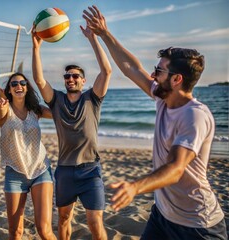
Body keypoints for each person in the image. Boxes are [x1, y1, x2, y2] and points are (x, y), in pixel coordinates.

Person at [84, 5, 227, 239]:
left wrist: (135, 187)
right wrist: (105, 34)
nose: (153, 75)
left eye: (158, 71)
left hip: (198, 226)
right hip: (162, 215)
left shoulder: (195, 115)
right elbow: (132, 68)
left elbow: (176, 169)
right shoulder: (162, 98)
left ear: (177, 79)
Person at [31, 7, 112, 240]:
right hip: (65, 170)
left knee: (95, 221)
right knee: (64, 219)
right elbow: (39, 80)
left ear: (83, 80)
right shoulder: (56, 101)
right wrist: (36, 49)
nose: (71, 79)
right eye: (68, 76)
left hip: (91, 170)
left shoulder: (92, 99)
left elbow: (106, 71)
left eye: (76, 76)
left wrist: (93, 39)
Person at [0, 73, 56, 240]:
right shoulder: (4, 110)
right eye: (14, 84)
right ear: (9, 89)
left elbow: (59, 114)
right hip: (15, 173)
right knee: (15, 232)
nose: (18, 86)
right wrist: (2, 105)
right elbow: (1, 113)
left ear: (27, 87)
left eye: (22, 83)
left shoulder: (35, 110)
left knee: (44, 230)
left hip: (40, 169)